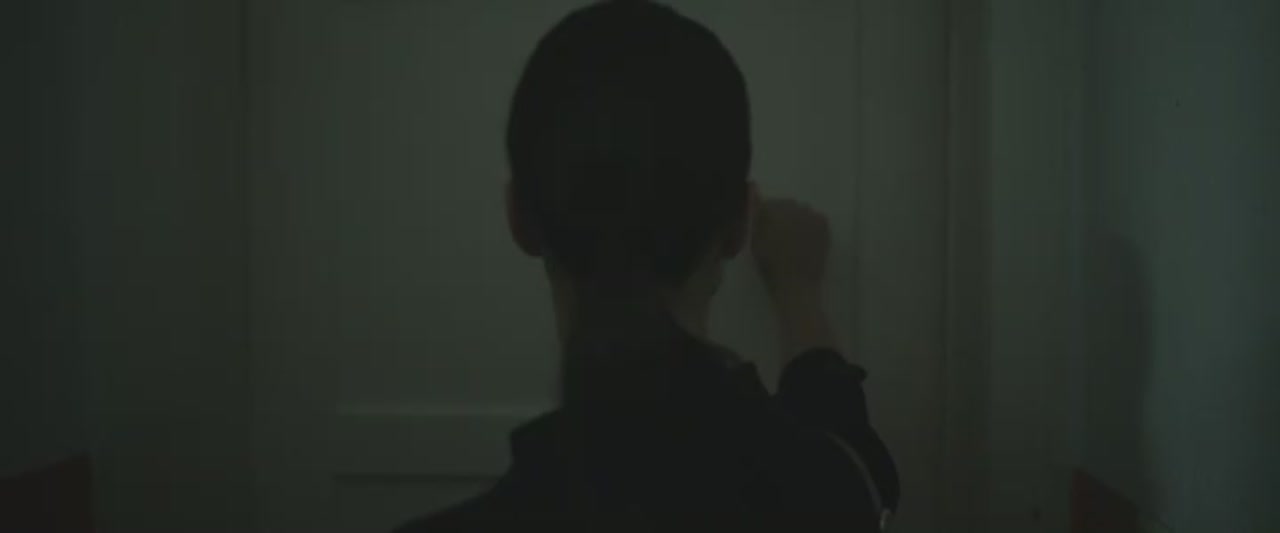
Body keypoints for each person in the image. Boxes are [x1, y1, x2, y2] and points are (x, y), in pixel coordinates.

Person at [395, 1, 898, 531]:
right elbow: (852, 460)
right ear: (738, 224)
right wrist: (797, 292)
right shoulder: (832, 499)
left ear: (519, 217)